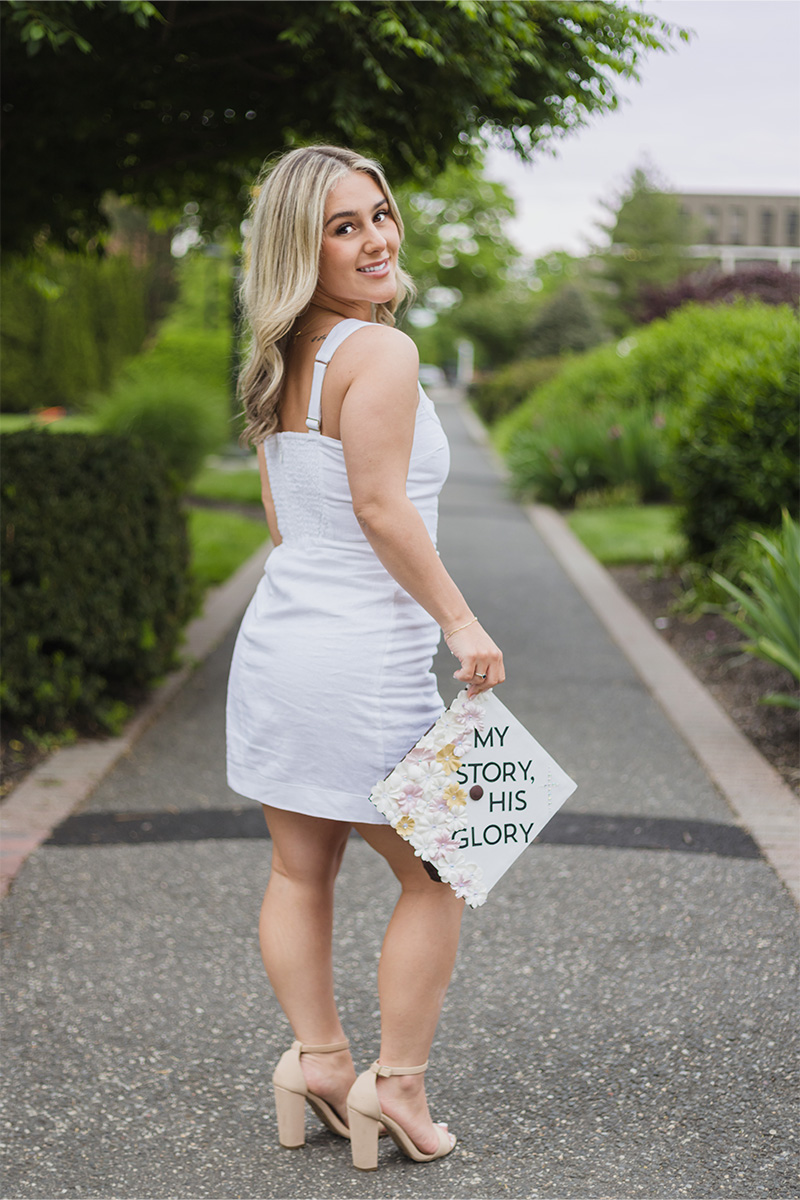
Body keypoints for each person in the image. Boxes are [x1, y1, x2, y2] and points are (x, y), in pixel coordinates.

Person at [225, 144, 504, 1171]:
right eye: (343, 227)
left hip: (282, 643)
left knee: (302, 869)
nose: (377, 238)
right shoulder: (380, 354)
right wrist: (461, 624)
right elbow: (380, 509)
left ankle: (319, 1063)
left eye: (379, 213)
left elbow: (283, 523)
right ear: (303, 246)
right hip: (361, 657)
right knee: (441, 868)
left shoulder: (276, 353)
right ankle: (396, 1088)